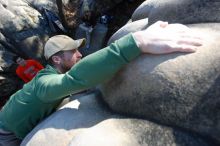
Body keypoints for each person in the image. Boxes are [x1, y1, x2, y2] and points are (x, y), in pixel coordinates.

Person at [0, 21, 203, 145]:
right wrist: (136, 42)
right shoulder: (44, 85)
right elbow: (74, 79)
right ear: (56, 60)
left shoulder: (48, 77)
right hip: (6, 135)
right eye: (73, 51)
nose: (80, 54)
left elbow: (83, 75)